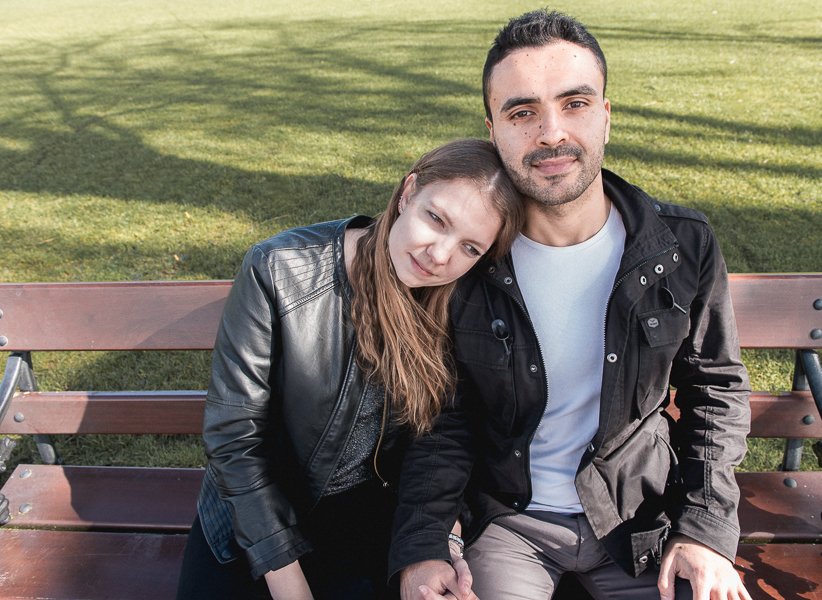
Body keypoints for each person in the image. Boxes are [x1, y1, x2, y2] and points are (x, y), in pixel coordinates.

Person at [389, 11, 753, 600]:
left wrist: (706, 532)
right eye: (523, 112)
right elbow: (443, 419)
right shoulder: (469, 261)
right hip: (509, 527)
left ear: (606, 116)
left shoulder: (679, 245)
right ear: (494, 129)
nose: (551, 133)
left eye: (575, 103)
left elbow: (716, 390)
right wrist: (426, 545)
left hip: (640, 522)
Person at [175, 138, 522, 600]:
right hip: (257, 514)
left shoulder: (460, 298)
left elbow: (445, 434)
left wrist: (439, 539)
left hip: (368, 524)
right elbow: (236, 439)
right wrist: (289, 584)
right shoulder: (279, 268)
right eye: (435, 218)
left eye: (470, 247)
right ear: (408, 192)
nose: (440, 256)